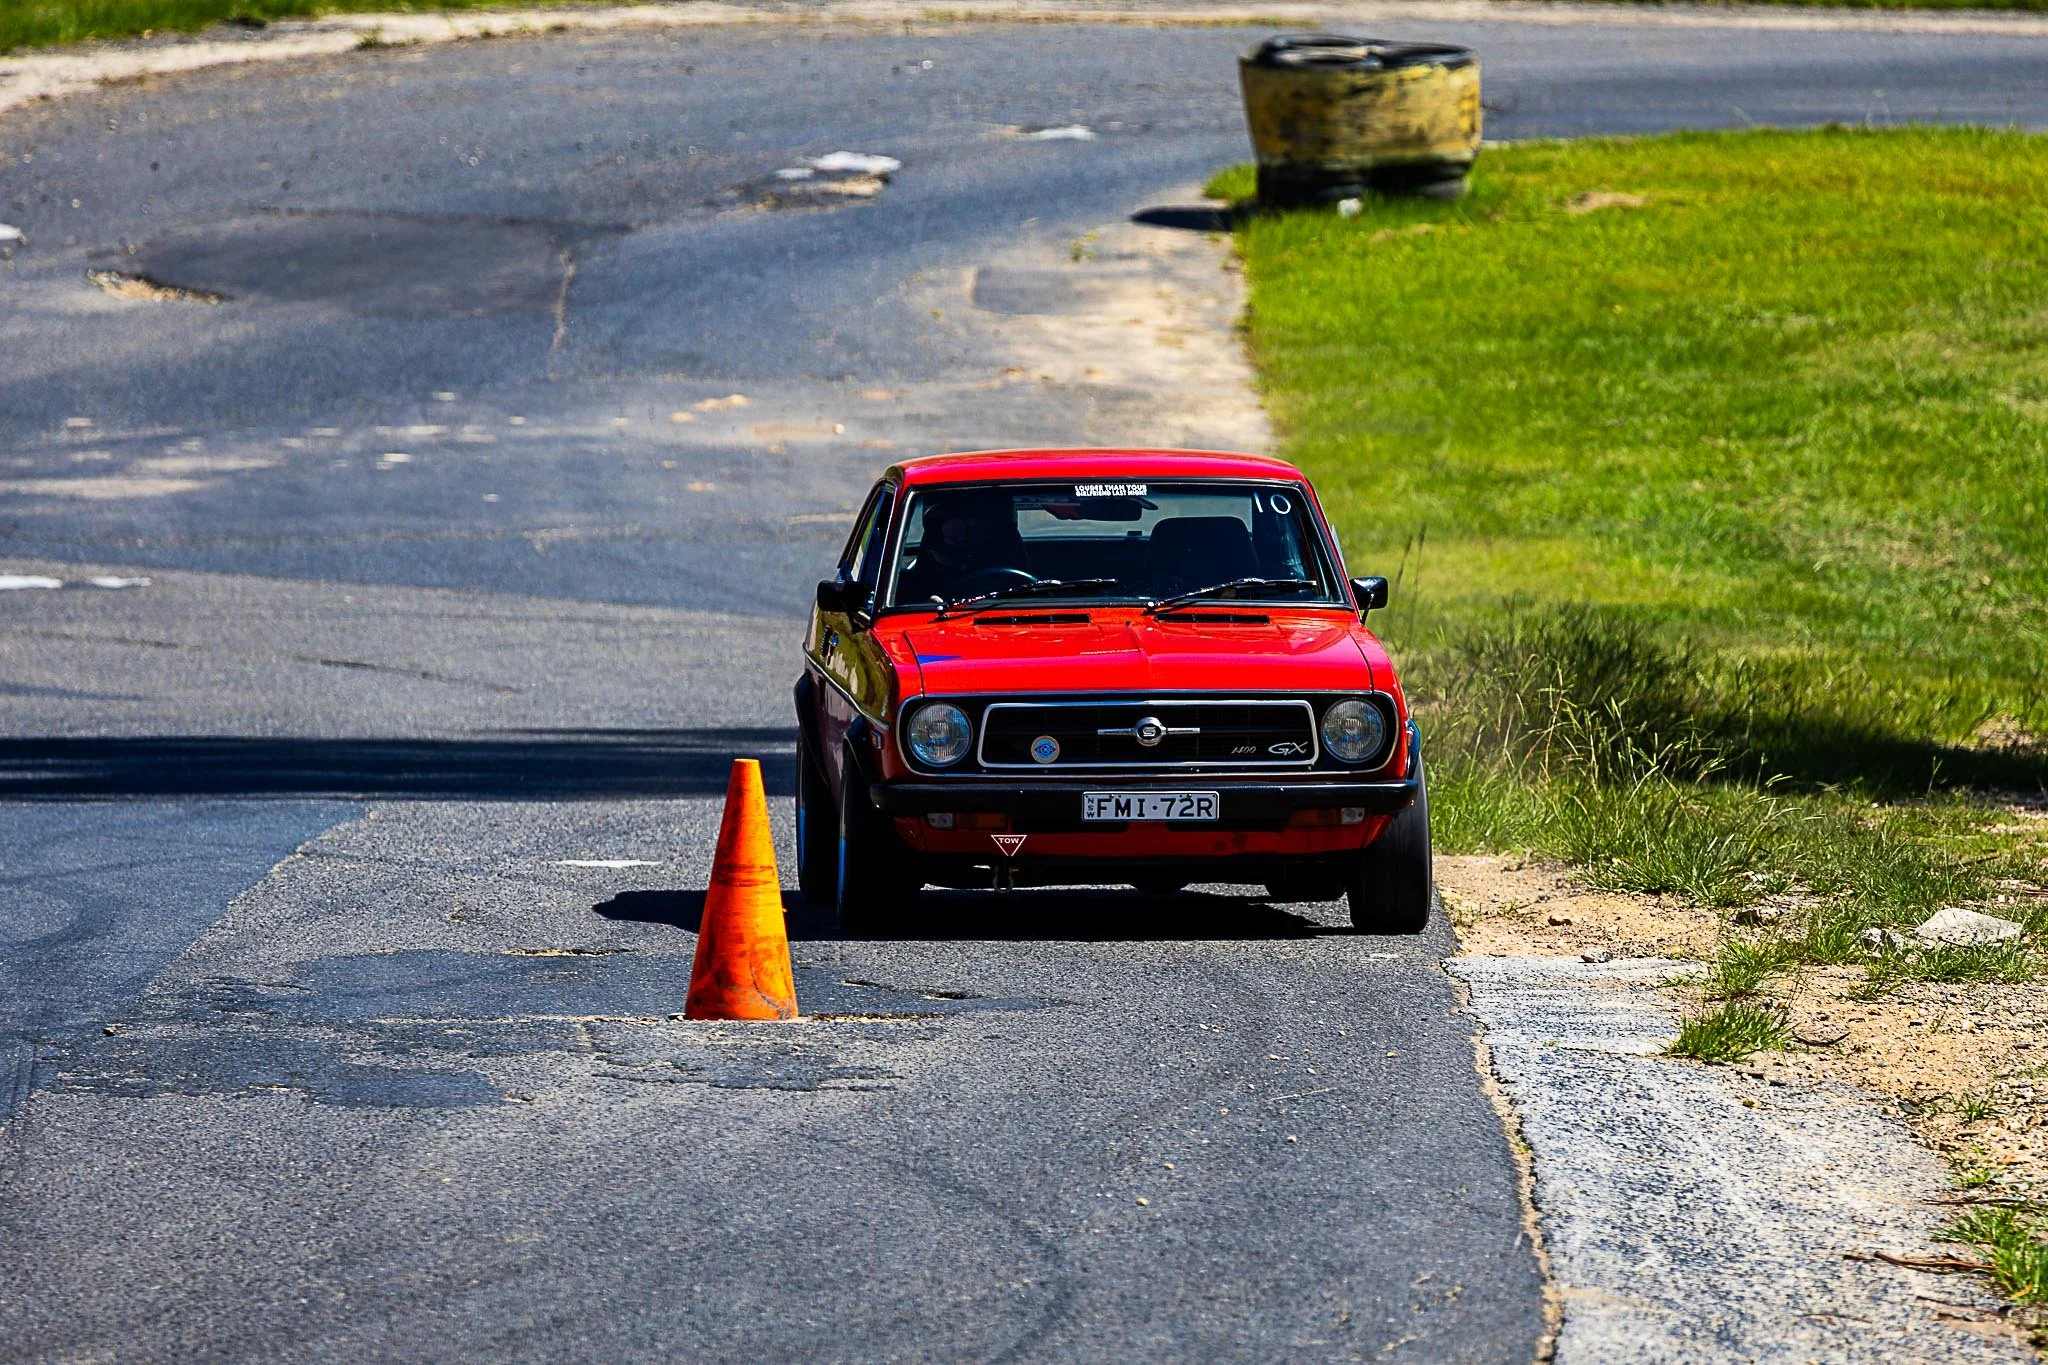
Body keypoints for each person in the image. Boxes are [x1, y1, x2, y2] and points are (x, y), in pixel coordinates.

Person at [896, 491, 1025, 604]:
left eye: (976, 522)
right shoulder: (913, 583)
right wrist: (927, 607)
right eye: (957, 520)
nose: (967, 529)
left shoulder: (1010, 563)